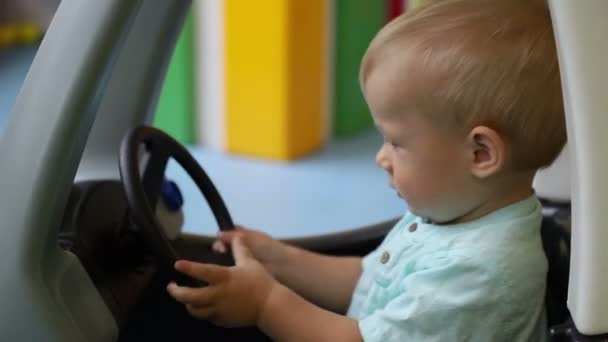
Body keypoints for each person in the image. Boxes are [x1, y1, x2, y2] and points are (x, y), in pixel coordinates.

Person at [167, 0, 566, 340]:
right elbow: (368, 279)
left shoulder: (483, 273)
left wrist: (265, 303)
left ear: (480, 154)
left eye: (396, 142)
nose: (381, 157)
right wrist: (279, 259)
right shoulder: (454, 213)